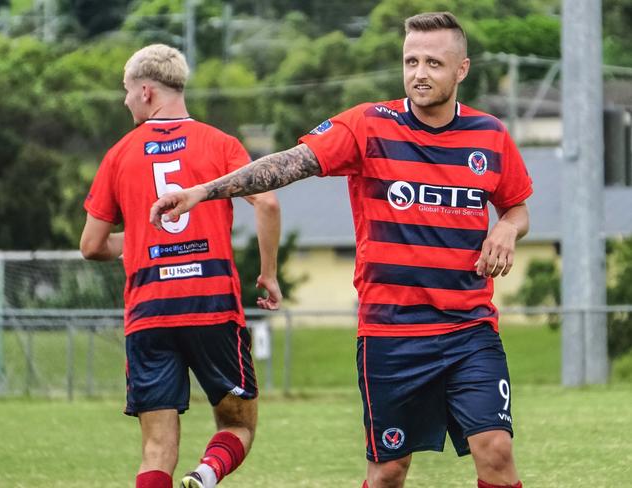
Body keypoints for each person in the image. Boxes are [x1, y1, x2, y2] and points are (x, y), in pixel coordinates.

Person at [150, 12, 532, 488]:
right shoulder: (369, 125)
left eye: (434, 62)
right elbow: (290, 163)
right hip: (391, 335)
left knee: (496, 450)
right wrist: (204, 191)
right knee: (389, 471)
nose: (419, 72)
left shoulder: (490, 135)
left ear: (462, 70)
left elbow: (516, 208)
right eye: (411, 60)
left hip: (468, 329)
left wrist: (507, 229)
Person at [80, 44, 282, 488]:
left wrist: (142, 236)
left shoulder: (118, 154)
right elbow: (266, 202)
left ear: (147, 91)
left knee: (155, 450)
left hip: (149, 310)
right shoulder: (221, 143)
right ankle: (206, 475)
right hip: (211, 304)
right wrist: (268, 273)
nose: (125, 100)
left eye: (127, 91)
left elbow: (92, 245)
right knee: (238, 426)